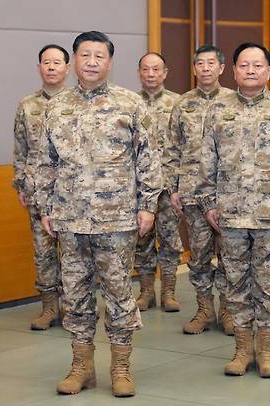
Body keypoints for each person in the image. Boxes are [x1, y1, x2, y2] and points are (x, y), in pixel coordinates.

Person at [35, 31, 162, 397]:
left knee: (119, 293)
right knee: (75, 294)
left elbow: (147, 159)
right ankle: (81, 366)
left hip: (117, 219)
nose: (91, 61)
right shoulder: (56, 107)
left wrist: (147, 206)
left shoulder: (130, 104)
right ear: (74, 59)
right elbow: (45, 163)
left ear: (109, 62)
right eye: (85, 55)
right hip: (70, 219)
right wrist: (46, 207)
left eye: (99, 56)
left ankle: (120, 368)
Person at [197, 43, 270, 378]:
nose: (250, 70)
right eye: (244, 65)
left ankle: (267, 352)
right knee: (235, 281)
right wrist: (207, 202)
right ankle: (242, 350)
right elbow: (207, 161)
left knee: (268, 282)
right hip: (229, 212)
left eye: (257, 65)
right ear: (233, 70)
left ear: (268, 71)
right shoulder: (217, 109)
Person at [164, 45, 236, 335]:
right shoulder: (183, 104)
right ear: (193, 69)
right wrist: (174, 188)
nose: (205, 68)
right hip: (193, 193)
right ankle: (204, 309)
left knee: (232, 256)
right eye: (200, 64)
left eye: (211, 63)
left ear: (221, 68)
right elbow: (172, 148)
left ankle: (229, 310)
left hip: (230, 193)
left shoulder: (234, 101)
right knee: (200, 255)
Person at [13, 44, 70, 330]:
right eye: (46, 62)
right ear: (39, 67)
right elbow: (20, 149)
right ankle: (49, 307)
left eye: (56, 62)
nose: (51, 67)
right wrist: (21, 184)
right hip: (38, 191)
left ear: (67, 68)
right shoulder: (27, 105)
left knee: (74, 253)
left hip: (73, 192)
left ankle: (74, 307)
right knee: (43, 251)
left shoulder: (76, 102)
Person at [133, 52, 183, 313]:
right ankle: (145, 292)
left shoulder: (178, 103)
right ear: (139, 72)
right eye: (145, 69)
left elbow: (183, 146)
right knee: (141, 239)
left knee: (170, 239)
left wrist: (178, 184)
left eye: (156, 69)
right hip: (138, 187)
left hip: (167, 187)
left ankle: (169, 292)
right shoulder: (130, 103)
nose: (150, 74)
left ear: (165, 73)